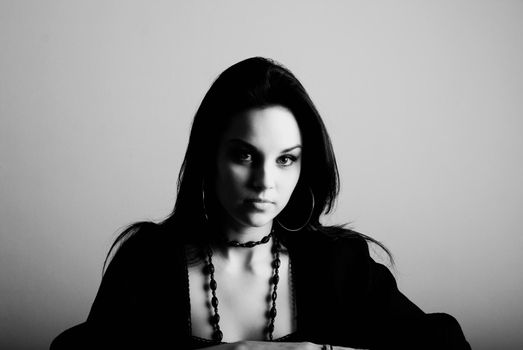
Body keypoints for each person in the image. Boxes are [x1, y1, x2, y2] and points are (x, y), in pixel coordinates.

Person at [51, 57, 471, 350]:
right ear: (209, 157)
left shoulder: (340, 262)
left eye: (286, 159)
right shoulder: (147, 261)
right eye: (244, 155)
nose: (265, 182)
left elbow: (445, 344)